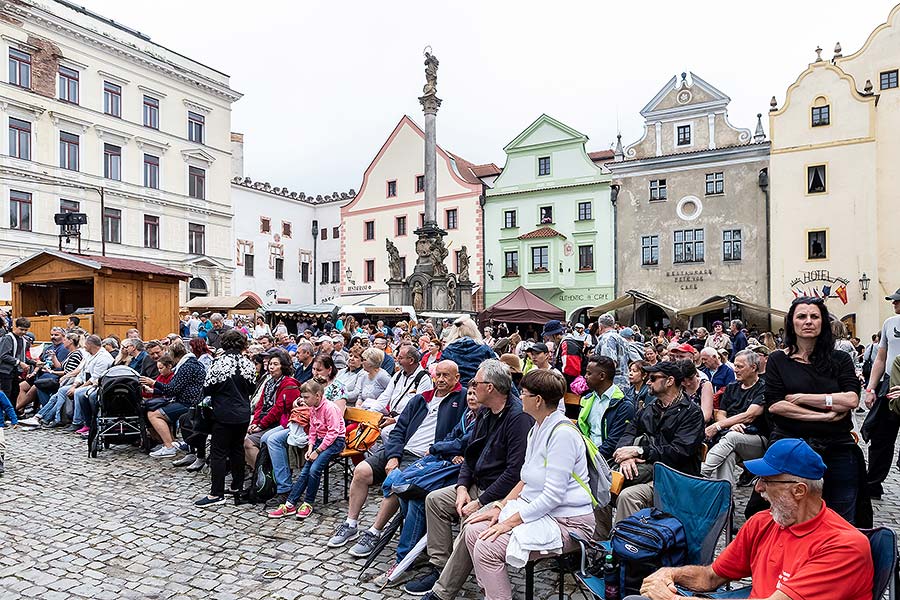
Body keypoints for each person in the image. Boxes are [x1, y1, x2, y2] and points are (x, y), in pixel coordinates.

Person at [633, 438, 873, 600]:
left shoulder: (844, 547)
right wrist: (669, 574)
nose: (758, 488)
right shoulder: (763, 522)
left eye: (767, 480)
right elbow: (711, 576)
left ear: (799, 490)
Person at [403, 360, 533, 598]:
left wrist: (482, 500)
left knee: (470, 520)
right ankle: (439, 565)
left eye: (475, 383)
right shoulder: (484, 412)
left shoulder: (518, 418)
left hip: (502, 494)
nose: (470, 387)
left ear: (490, 387)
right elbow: (470, 454)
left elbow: (516, 473)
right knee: (435, 500)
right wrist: (463, 487)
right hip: (477, 484)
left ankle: (444, 589)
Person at [464, 369, 597, 600]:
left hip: (568, 522)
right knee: (473, 531)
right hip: (542, 512)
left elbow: (552, 496)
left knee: (488, 546)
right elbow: (524, 479)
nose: (519, 396)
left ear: (538, 400)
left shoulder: (562, 434)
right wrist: (499, 508)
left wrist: (508, 523)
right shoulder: (536, 428)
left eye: (523, 393)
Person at [327, 360, 466, 554]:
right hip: (401, 450)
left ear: (456, 378)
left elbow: (464, 433)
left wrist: (454, 452)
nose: (440, 379)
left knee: (397, 481)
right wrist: (393, 456)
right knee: (361, 471)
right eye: (438, 375)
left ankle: (374, 532)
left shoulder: (463, 399)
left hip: (426, 458)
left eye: (446, 376)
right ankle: (351, 524)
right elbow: (398, 431)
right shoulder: (421, 399)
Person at [766, 297, 866, 525]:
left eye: (815, 316)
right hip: (791, 445)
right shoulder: (778, 360)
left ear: (823, 323)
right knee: (790, 516)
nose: (808, 321)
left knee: (841, 518)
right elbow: (776, 405)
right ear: (792, 323)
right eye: (802, 316)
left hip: (837, 446)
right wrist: (824, 414)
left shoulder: (839, 359)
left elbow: (851, 399)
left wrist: (803, 398)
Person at [612, 361, 704, 523]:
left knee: (629, 496)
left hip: (674, 477)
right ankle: (599, 542)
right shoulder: (650, 408)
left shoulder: (692, 413)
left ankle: (627, 545)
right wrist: (625, 456)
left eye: (653, 378)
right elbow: (627, 434)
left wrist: (640, 451)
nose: (648, 381)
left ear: (669, 381)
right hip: (646, 471)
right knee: (603, 486)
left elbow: (679, 452)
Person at [267, 378, 347, 518]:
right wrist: (310, 447)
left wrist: (317, 451)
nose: (303, 400)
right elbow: (312, 430)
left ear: (317, 395)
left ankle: (308, 503)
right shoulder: (313, 408)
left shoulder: (329, 408)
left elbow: (333, 433)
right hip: (320, 442)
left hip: (335, 442)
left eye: (306, 397)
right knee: (305, 471)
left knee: (314, 469)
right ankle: (290, 504)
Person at [194, 330, 256, 507]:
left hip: (223, 413)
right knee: (237, 450)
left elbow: (207, 388)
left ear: (224, 343)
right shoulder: (248, 363)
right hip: (243, 413)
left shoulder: (219, 363)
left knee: (218, 453)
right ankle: (237, 487)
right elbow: (251, 389)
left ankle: (216, 493)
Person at [579, 355, 635, 539]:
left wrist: (586, 458)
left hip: (605, 458)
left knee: (595, 482)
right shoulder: (589, 399)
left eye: (589, 373)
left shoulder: (622, 405)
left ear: (602, 376)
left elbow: (614, 442)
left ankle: (598, 538)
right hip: (587, 453)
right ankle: (579, 536)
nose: (585, 376)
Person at [701, 350, 767, 488]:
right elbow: (720, 414)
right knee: (727, 456)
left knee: (732, 437)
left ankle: (701, 473)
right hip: (732, 435)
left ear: (753, 367)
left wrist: (717, 426)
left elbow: (750, 415)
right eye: (735, 366)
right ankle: (726, 500)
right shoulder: (731, 387)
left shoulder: (763, 388)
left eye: (739, 366)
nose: (735, 370)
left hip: (758, 440)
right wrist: (729, 425)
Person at [140, 342, 205, 458]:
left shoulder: (186, 367)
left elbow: (172, 389)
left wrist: (154, 383)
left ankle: (168, 446)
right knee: (154, 409)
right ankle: (169, 442)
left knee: (154, 414)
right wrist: (153, 391)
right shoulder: (193, 363)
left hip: (188, 403)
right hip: (191, 401)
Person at [245, 351, 299, 469]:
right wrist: (255, 423)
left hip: (280, 424)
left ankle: (264, 475)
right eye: (270, 364)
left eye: (275, 364)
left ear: (283, 366)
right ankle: (258, 475)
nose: (271, 367)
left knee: (249, 441)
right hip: (266, 421)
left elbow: (278, 410)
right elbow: (261, 406)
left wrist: (261, 425)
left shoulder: (289, 384)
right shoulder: (269, 383)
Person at [373, 345, 433, 438]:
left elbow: (419, 407)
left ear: (411, 360)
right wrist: (371, 412)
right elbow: (385, 396)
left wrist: (395, 420)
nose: (397, 360)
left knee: (386, 433)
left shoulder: (423, 378)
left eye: (400, 358)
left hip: (409, 420)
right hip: (392, 416)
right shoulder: (398, 374)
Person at [69, 335, 114, 435]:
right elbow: (82, 372)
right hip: (86, 383)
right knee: (63, 391)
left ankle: (80, 422)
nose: (84, 347)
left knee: (80, 393)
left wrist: (79, 388)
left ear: (90, 345)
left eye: (85, 345)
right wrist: (75, 385)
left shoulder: (103, 357)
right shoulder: (90, 355)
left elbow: (95, 378)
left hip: (99, 385)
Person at [440, 317, 497, 384]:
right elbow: (496, 370)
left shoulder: (448, 350)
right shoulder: (484, 349)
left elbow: (441, 371)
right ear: (474, 330)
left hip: (455, 389)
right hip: (479, 388)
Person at [542, 319, 587, 386]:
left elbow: (571, 372)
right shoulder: (565, 343)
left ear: (554, 335)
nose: (548, 338)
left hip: (571, 388)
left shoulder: (567, 345)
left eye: (548, 336)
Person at [594, 314, 629, 388]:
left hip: (613, 386)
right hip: (624, 382)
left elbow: (609, 363)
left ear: (600, 326)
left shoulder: (607, 339)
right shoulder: (622, 339)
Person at [0, 317, 29, 406]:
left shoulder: (23, 340)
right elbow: (3, 355)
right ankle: (4, 415)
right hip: (5, 371)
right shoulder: (8, 338)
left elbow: (22, 357)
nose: (23, 332)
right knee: (6, 394)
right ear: (15, 327)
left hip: (16, 371)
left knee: (15, 392)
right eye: (21, 329)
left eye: (26, 330)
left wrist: (34, 363)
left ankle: (11, 415)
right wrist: (19, 363)